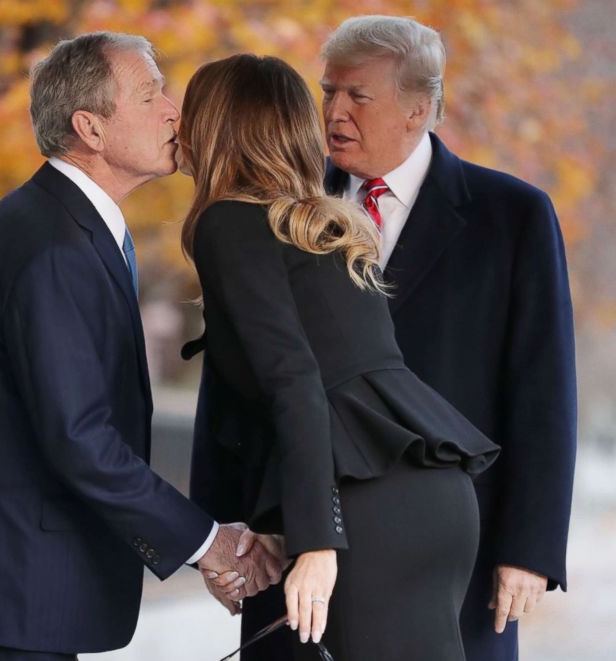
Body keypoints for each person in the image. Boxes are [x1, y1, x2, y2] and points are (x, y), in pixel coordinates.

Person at [0, 32, 282, 661]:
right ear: (91, 127)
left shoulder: (69, 225)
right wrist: (208, 544)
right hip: (5, 595)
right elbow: (80, 438)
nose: (172, 111)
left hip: (22, 590)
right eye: (149, 94)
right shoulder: (51, 246)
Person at [178, 54, 500, 660]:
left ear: (215, 125)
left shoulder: (228, 222)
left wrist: (318, 542)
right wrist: (275, 531)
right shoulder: (323, 226)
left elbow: (297, 384)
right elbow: (338, 382)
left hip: (365, 517)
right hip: (436, 500)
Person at [320, 16, 576, 660]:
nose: (335, 111)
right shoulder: (287, 203)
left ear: (418, 109)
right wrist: (228, 523)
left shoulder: (512, 216)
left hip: (458, 554)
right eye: (328, 92)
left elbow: (543, 392)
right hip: (308, 544)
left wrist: (528, 549)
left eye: (358, 95)